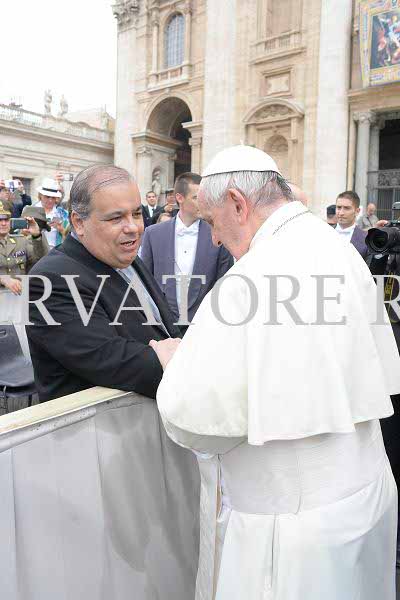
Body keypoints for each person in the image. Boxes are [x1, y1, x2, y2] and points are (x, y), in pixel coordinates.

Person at [155, 145, 400, 600]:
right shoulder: (337, 246)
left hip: (292, 527)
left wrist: (175, 366)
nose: (213, 239)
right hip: (367, 496)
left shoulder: (250, 278)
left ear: (237, 203)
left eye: (212, 221)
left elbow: (193, 418)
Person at [27, 165, 182, 403]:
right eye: (116, 218)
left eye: (137, 214)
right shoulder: (50, 280)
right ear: (79, 223)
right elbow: (111, 360)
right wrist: (188, 359)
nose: (133, 227)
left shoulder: (126, 256)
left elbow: (165, 325)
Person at [140, 172, 233, 326]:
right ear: (180, 198)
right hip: (163, 326)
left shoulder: (220, 234)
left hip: (205, 325)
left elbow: (224, 285)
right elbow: (145, 282)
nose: (203, 203)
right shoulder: (153, 234)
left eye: (205, 198)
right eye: (196, 198)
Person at [0, 201, 46, 295]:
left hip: (19, 297)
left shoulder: (21, 241)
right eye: (0, 220)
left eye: (6, 220)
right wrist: (2, 279)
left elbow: (40, 262)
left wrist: (36, 236)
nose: (3, 223)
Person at [34, 178, 69, 248]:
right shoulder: (31, 210)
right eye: (47, 197)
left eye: (53, 197)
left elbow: (70, 238)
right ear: (40, 195)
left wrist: (61, 229)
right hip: (35, 250)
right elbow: (22, 234)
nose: (50, 200)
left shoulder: (62, 214)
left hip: (55, 251)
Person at [335, 190, 368, 258]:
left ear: (357, 211)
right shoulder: (323, 232)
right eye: (338, 207)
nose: (341, 213)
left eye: (347, 208)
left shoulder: (366, 239)